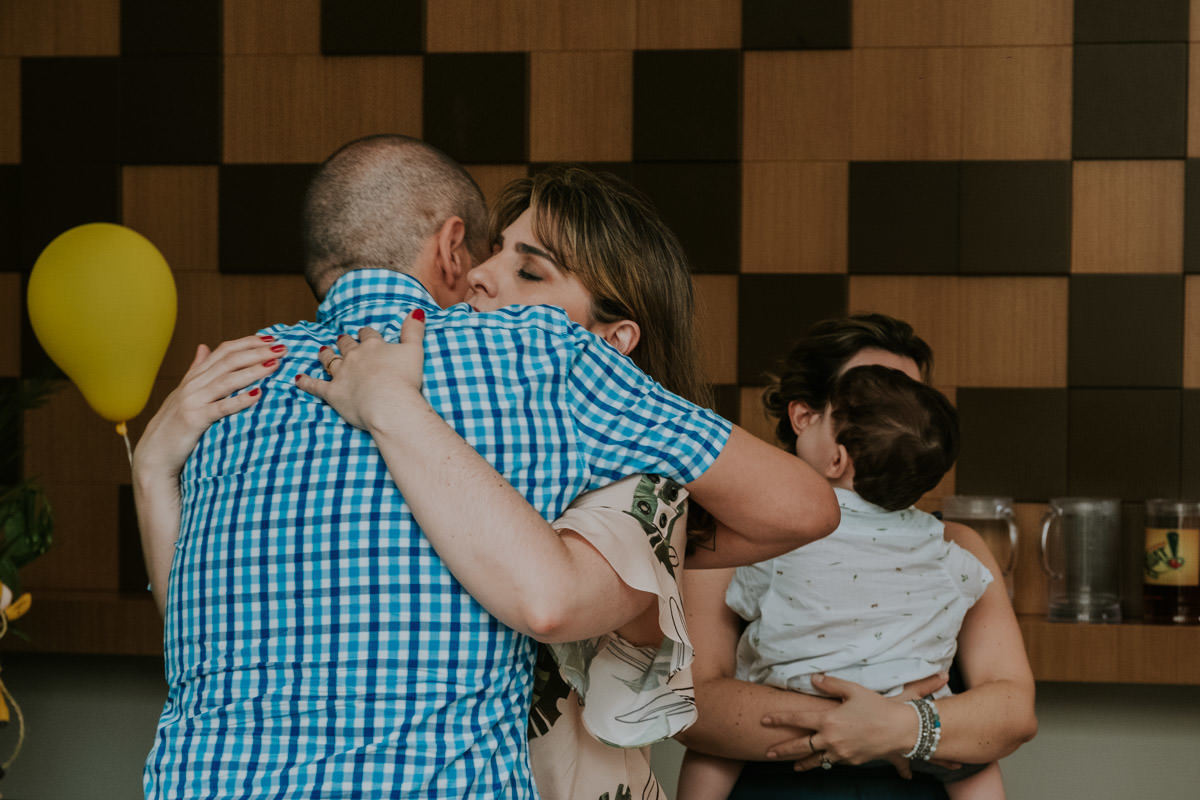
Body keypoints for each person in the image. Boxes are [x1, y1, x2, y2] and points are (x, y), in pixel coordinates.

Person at [134, 142, 839, 800]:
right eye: (489, 250)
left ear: (614, 340)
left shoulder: (256, 373)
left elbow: (550, 599)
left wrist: (389, 404)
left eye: (528, 270)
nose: (480, 275)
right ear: (450, 245)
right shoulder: (475, 370)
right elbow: (215, 635)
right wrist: (153, 466)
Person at [677, 315, 1037, 800]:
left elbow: (1013, 712)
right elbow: (698, 705)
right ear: (804, 416)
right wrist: (884, 728)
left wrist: (894, 727)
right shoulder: (733, 540)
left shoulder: (954, 543)